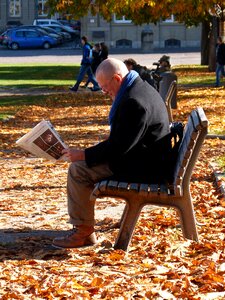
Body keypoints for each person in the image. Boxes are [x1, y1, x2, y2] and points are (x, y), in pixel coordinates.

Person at [52, 58, 172, 249]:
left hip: (145, 169)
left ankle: (83, 232)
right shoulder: (140, 88)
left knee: (78, 170)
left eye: (104, 87)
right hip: (148, 160)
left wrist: (83, 154)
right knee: (83, 164)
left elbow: (117, 149)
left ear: (117, 78)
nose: (104, 91)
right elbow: (122, 141)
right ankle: (84, 229)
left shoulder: (133, 102)